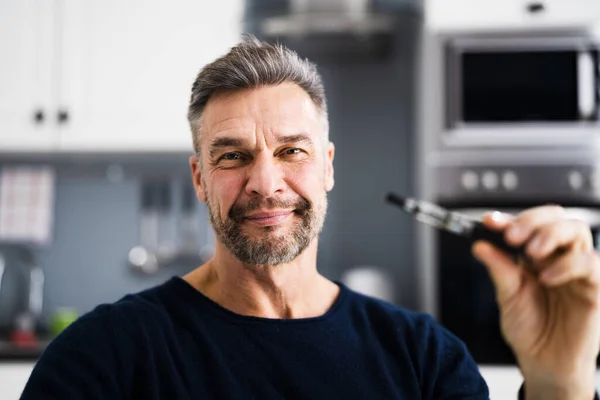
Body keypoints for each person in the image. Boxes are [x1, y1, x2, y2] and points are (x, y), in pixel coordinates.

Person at [21, 36, 600, 400]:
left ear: (326, 167)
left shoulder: (424, 360)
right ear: (200, 178)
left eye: (291, 151)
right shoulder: (103, 357)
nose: (265, 183)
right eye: (232, 156)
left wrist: (560, 383)